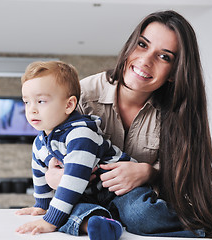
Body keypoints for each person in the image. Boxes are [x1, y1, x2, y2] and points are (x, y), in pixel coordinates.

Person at [45, 10, 212, 238]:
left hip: (137, 200)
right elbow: (48, 147)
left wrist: (149, 173)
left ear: (174, 72)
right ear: (131, 44)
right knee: (61, 212)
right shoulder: (81, 96)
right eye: (142, 45)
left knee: (141, 216)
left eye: (164, 57)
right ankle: (100, 225)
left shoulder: (177, 111)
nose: (145, 60)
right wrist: (52, 175)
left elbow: (186, 172)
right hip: (84, 194)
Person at [15, 60, 141, 240]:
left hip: (121, 190)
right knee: (70, 209)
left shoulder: (80, 134)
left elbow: (74, 179)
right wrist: (43, 205)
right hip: (89, 196)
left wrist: (50, 221)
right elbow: (40, 174)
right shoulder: (39, 143)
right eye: (27, 102)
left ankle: (191, 225)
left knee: (141, 214)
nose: (31, 110)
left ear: (69, 105)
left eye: (41, 101)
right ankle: (102, 225)